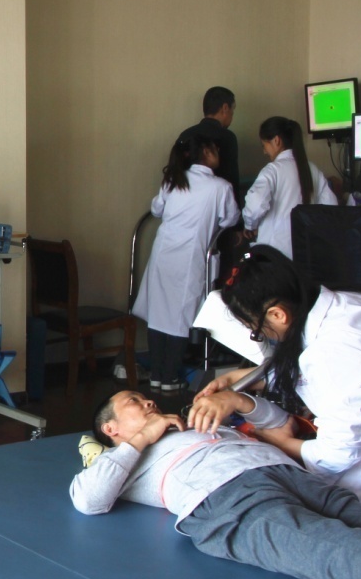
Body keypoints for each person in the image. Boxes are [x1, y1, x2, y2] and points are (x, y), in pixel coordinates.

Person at [71, 390, 361, 579]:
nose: (148, 400)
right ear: (110, 428)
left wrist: (236, 399)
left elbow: (280, 422)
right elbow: (88, 499)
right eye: (134, 401)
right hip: (230, 496)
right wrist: (145, 436)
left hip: (290, 474)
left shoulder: (192, 421)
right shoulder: (124, 460)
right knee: (349, 550)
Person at [186, 246, 361, 529]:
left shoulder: (332, 350)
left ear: (277, 315)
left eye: (256, 330)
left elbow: (336, 456)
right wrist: (239, 382)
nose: (260, 336)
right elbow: (319, 375)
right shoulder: (350, 306)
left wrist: (277, 442)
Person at [130, 134, 238, 392]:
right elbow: (231, 219)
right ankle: (170, 379)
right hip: (190, 258)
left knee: (158, 316)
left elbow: (156, 210)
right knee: (180, 317)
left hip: (163, 254)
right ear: (206, 153)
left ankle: (157, 375)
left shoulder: (174, 180)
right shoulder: (220, 187)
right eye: (215, 149)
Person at [241, 116, 337, 259]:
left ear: (276, 140)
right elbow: (330, 207)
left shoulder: (272, 170)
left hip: (275, 255)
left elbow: (255, 204)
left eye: (264, 145)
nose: (264, 152)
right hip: (306, 254)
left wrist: (250, 225)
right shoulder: (312, 169)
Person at [175, 87, 240, 203]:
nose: (232, 115)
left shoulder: (185, 134)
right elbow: (231, 178)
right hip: (216, 204)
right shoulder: (227, 137)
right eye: (233, 110)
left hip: (183, 202)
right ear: (225, 108)